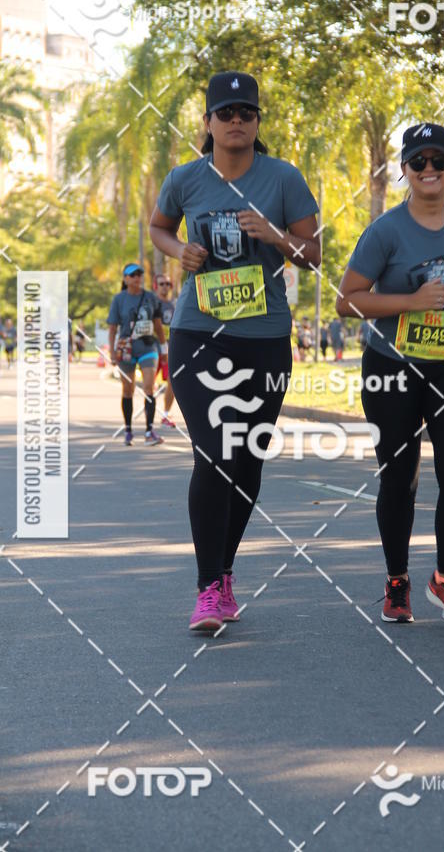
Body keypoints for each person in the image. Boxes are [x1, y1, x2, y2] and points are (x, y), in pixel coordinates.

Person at [149, 71, 320, 632]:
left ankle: (223, 573)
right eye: (227, 113)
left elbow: (313, 254)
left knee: (246, 461)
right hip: (198, 334)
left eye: (247, 112)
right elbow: (159, 228)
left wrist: (274, 236)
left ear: (257, 122)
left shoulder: (284, 178)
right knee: (214, 455)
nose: (237, 120)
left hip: (265, 337)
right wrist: (180, 251)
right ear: (208, 123)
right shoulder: (185, 178)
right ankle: (206, 589)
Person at [336, 123, 444, 626]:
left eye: (439, 161)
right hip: (391, 366)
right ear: (405, 172)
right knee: (400, 477)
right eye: (419, 162)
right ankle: (397, 582)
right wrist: (410, 302)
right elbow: (347, 300)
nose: (430, 170)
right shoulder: (385, 231)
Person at [107, 263, 167, 446]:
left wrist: (164, 349)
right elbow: (112, 328)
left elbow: (158, 325)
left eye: (139, 275)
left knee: (150, 387)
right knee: (128, 390)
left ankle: (149, 431)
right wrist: (112, 352)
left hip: (148, 348)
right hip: (126, 350)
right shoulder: (119, 300)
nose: (137, 278)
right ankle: (128, 430)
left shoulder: (150, 298)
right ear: (125, 279)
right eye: (132, 275)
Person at [154, 273, 177, 427]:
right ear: (156, 286)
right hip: (152, 347)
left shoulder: (174, 305)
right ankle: (149, 419)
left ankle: (166, 415)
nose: (165, 287)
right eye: (161, 284)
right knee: (150, 383)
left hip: (171, 348)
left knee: (172, 381)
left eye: (167, 284)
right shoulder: (151, 303)